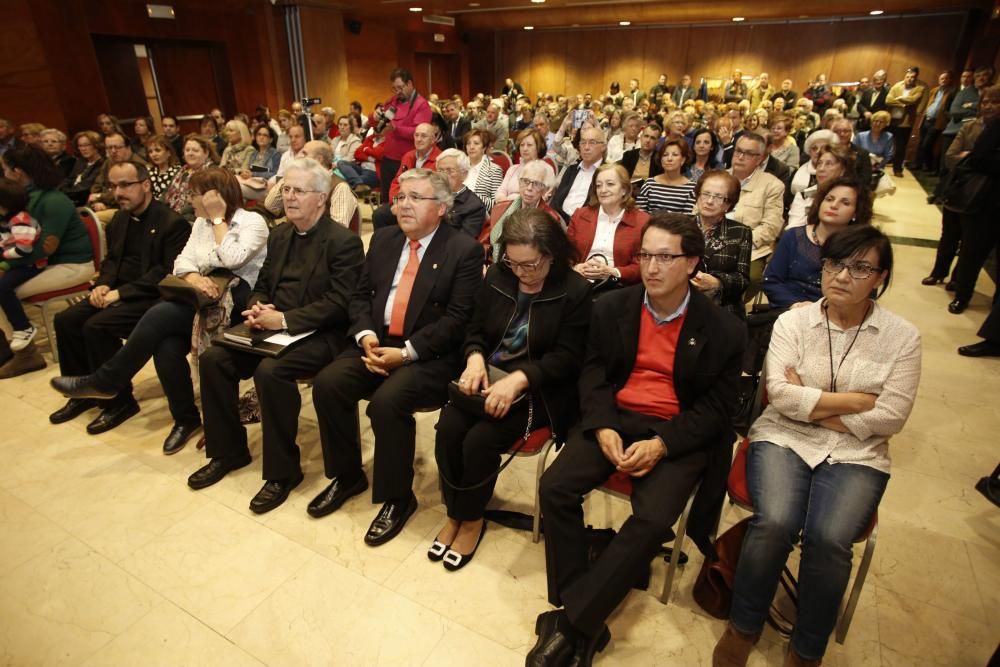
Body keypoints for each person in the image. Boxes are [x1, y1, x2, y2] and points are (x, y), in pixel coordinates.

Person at [529, 213, 746, 667]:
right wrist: (603, 424)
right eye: (645, 255)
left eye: (666, 257)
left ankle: (569, 623)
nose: (652, 267)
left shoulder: (723, 329)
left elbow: (716, 410)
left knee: (653, 518)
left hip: (675, 430)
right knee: (555, 487)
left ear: (692, 263)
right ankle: (582, 613)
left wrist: (663, 445)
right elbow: (593, 372)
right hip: (616, 417)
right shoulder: (611, 307)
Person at [715, 225, 920, 667]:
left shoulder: (903, 338)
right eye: (834, 264)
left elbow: (891, 417)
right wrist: (853, 403)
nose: (842, 276)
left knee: (830, 539)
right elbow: (781, 397)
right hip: (784, 437)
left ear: (880, 278)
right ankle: (743, 626)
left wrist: (812, 402)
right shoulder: (794, 320)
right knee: (775, 523)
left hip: (857, 453)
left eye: (860, 268)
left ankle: (806, 650)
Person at [308, 169, 482, 544]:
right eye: (400, 197)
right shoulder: (385, 239)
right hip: (378, 341)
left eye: (415, 198)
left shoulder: (463, 250)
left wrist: (405, 354)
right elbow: (360, 296)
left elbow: (457, 320)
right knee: (328, 384)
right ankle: (348, 475)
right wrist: (367, 335)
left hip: (430, 354)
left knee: (387, 404)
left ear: (442, 207)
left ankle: (397, 498)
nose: (403, 205)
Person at [49, 168, 268, 454]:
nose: (191, 200)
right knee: (165, 346)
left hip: (236, 306)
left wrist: (217, 219)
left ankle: (108, 380)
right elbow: (180, 263)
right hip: (201, 300)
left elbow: (232, 257)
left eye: (196, 195)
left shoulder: (252, 222)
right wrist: (193, 277)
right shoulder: (200, 225)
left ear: (216, 196)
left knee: (160, 314)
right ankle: (185, 420)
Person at [187, 158, 365, 500]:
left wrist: (283, 320)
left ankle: (283, 472)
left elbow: (340, 304)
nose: (290, 197)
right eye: (286, 189)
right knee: (214, 359)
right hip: (272, 326)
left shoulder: (343, 242)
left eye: (299, 191)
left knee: (271, 372)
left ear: (321, 199)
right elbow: (262, 283)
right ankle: (228, 452)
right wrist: (256, 305)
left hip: (321, 333)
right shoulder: (281, 234)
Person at [432, 208, 591, 570]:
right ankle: (456, 513)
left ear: (551, 254)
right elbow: (473, 330)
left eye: (530, 265)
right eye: (513, 263)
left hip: (538, 389)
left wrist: (520, 379)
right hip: (488, 374)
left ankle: (471, 520)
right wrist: (473, 357)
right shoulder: (499, 277)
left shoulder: (574, 291)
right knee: (449, 429)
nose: (521, 273)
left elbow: (568, 358)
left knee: (479, 441)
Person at [47, 160, 189, 432]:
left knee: (96, 326)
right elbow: (113, 260)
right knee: (66, 320)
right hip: (115, 291)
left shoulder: (172, 222)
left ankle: (119, 400)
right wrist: (102, 284)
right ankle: (83, 393)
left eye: (125, 185)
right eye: (113, 186)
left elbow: (164, 273)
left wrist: (119, 293)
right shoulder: (120, 219)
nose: (118, 192)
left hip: (149, 296)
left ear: (145, 185)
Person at [0, 146, 94, 373]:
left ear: (18, 172)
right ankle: (12, 347)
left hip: (72, 265)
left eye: (5, 170)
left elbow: (43, 249)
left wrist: (5, 265)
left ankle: (25, 354)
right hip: (41, 264)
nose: (4, 175)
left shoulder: (53, 200)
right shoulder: (25, 198)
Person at [764, 177, 873, 310]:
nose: (833, 206)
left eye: (845, 203)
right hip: (789, 310)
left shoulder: (862, 248)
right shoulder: (793, 236)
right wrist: (796, 305)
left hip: (836, 315)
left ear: (856, 212)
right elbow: (772, 281)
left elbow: (866, 293)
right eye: (829, 199)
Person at [943, 85, 1000, 315]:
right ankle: (962, 295)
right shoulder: (992, 127)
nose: (988, 106)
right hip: (986, 201)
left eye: (994, 102)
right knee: (972, 251)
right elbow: (980, 159)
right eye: (986, 102)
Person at [566, 163, 650, 288]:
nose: (603, 190)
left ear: (624, 189)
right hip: (579, 282)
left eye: (610, 184)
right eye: (598, 185)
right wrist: (575, 267)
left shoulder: (642, 221)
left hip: (619, 287)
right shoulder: (580, 215)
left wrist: (613, 272)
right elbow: (565, 253)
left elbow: (644, 264)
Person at [690, 170, 752, 318]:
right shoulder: (680, 227)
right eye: (705, 194)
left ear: (728, 204)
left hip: (723, 308)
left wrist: (717, 282)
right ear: (698, 195)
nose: (709, 201)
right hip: (684, 303)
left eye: (718, 197)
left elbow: (742, 279)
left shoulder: (741, 232)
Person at [481, 160, 560, 263]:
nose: (529, 188)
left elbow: (549, 257)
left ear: (545, 189)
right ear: (519, 182)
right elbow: (483, 242)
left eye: (536, 184)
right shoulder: (500, 209)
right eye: (525, 181)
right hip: (494, 265)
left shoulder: (550, 218)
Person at [378, 67, 433, 200]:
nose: (397, 92)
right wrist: (374, 117)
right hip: (387, 158)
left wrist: (396, 128)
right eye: (394, 88)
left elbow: (418, 132)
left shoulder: (422, 105)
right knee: (386, 199)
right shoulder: (392, 101)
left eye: (400, 87)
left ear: (409, 84)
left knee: (403, 199)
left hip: (406, 161)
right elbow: (380, 124)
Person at [786, 144, 853, 229]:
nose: (821, 169)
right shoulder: (805, 195)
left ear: (843, 169)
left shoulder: (853, 196)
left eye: (829, 164)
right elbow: (793, 229)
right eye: (819, 163)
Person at [551, 125, 607, 223]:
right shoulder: (571, 170)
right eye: (583, 142)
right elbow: (556, 201)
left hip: (584, 225)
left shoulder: (607, 173)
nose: (586, 147)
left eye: (592, 143)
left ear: (603, 147)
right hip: (558, 223)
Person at [886, 67, 929, 177]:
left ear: (916, 78)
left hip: (906, 122)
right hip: (891, 119)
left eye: (912, 77)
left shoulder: (920, 88)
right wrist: (902, 103)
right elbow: (888, 100)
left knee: (901, 147)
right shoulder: (897, 86)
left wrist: (899, 99)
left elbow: (914, 100)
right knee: (887, 143)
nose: (909, 79)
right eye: (907, 76)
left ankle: (897, 169)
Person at [435, 148, 488, 238]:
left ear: (464, 174)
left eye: (449, 171)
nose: (443, 176)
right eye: (440, 171)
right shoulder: (428, 195)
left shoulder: (474, 206)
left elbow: (463, 242)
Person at [164, 134, 219, 219]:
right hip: (173, 213)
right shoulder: (182, 171)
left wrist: (174, 215)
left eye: (195, 150)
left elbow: (198, 202)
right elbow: (166, 192)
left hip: (193, 216)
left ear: (206, 153)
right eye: (187, 150)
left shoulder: (210, 172)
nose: (190, 153)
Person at [636, 138, 696, 215]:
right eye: (665, 155)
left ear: (683, 160)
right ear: (661, 159)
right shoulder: (649, 184)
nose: (669, 159)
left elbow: (687, 220)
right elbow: (640, 214)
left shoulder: (691, 188)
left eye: (675, 155)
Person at [495, 128, 556, 202]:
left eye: (529, 145)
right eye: (522, 145)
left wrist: (512, 201)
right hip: (505, 208)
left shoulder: (546, 169)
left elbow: (544, 198)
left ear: (538, 147)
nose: (525, 149)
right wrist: (502, 200)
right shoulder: (513, 169)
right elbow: (500, 191)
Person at [913, 72, 955, 174]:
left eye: (946, 78)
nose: (943, 80)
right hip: (926, 119)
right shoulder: (934, 90)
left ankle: (928, 165)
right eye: (941, 78)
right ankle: (918, 164)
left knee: (927, 144)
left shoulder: (951, 92)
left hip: (937, 122)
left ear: (949, 80)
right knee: (921, 143)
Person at [461, 128, 504, 213]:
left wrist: (470, 196)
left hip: (478, 216)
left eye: (476, 143)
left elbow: (497, 205)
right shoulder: (459, 167)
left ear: (484, 148)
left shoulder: (494, 170)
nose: (471, 147)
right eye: (468, 143)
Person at [236, 123, 280, 201]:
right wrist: (246, 173)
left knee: (237, 189)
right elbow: (250, 170)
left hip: (264, 187)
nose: (261, 137)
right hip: (250, 183)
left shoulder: (275, 154)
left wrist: (253, 174)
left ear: (271, 139)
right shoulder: (254, 153)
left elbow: (275, 174)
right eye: (259, 134)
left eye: (265, 135)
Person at [791, 129, 838, 195]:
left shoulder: (837, 173)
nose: (818, 152)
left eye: (824, 148)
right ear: (809, 151)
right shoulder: (796, 172)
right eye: (814, 148)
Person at [145, 135, 181, 200]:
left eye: (157, 150)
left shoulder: (178, 171)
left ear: (168, 152)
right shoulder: (148, 171)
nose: (154, 154)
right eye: (150, 152)